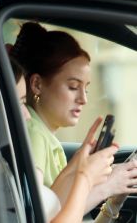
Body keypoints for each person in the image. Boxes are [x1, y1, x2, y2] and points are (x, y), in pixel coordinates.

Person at [9, 22, 137, 222]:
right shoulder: (34, 134)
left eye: (85, 89)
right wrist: (104, 186)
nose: (83, 99)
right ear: (37, 84)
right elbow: (43, 218)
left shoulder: (46, 138)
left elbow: (61, 210)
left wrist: (113, 199)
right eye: (72, 86)